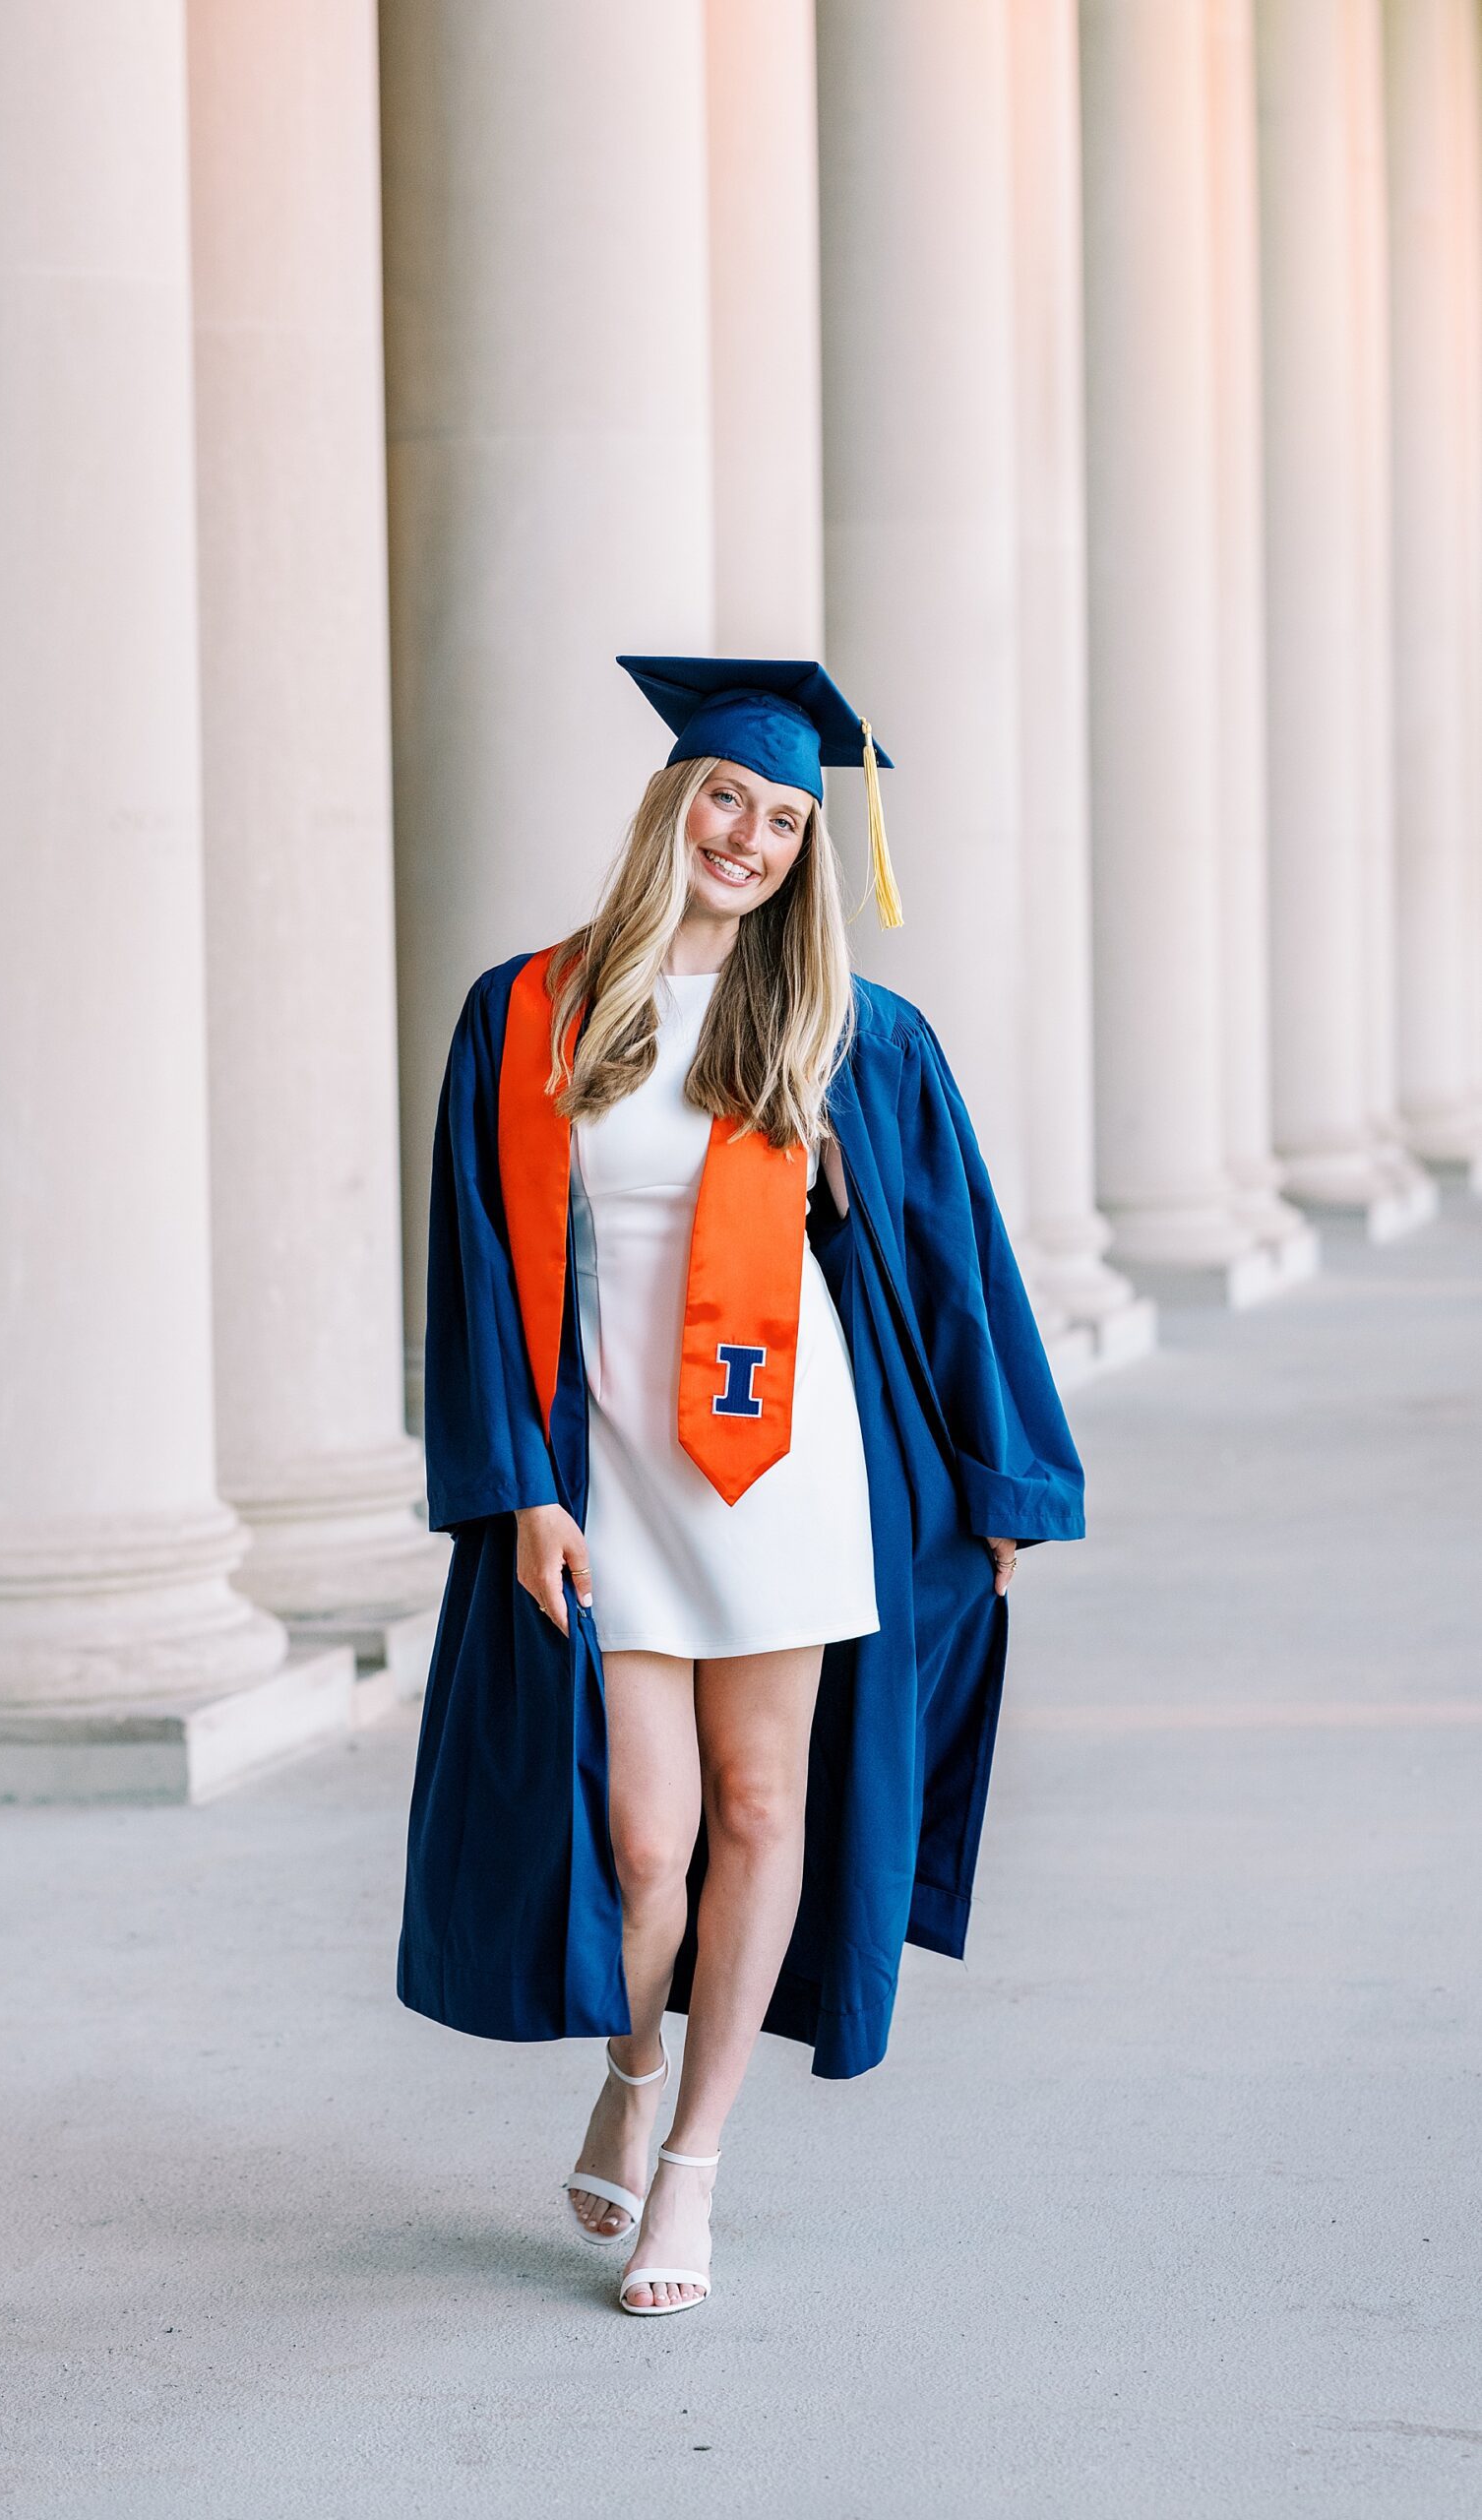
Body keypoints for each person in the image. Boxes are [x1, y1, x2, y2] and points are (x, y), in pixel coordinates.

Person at [398, 655, 1085, 2318]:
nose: (752, 838)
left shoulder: (851, 1033)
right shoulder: (529, 1010)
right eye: (729, 799)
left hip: (789, 1464)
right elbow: (478, 1269)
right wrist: (523, 1492)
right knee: (645, 1844)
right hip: (614, 1470)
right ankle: (633, 2071)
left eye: (786, 820)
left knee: (763, 1809)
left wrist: (999, 1481)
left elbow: (952, 1262)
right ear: (672, 804)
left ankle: (693, 2166)